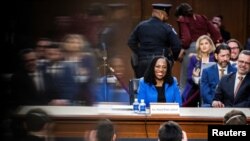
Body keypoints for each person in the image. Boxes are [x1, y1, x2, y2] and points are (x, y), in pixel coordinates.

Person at [175, 3, 222, 92]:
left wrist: (182, 49)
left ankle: (184, 101)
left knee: (185, 78)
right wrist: (217, 43)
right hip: (206, 48)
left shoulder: (183, 19)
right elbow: (215, 32)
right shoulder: (202, 18)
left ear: (181, 14)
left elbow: (187, 38)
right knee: (204, 76)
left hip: (191, 47)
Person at [128, 3, 181, 78]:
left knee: (143, 85)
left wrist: (140, 53)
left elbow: (131, 42)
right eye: (166, 15)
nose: (167, 18)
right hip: (161, 63)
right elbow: (177, 46)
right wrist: (173, 59)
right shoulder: (167, 28)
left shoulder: (141, 25)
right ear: (161, 14)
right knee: (160, 86)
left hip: (143, 62)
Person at [182, 35, 216, 107]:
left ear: (210, 45)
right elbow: (189, 77)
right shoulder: (194, 59)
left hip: (211, 87)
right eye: (201, 44)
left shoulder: (215, 58)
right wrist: (195, 77)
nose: (204, 46)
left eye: (206, 43)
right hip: (196, 88)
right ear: (199, 46)